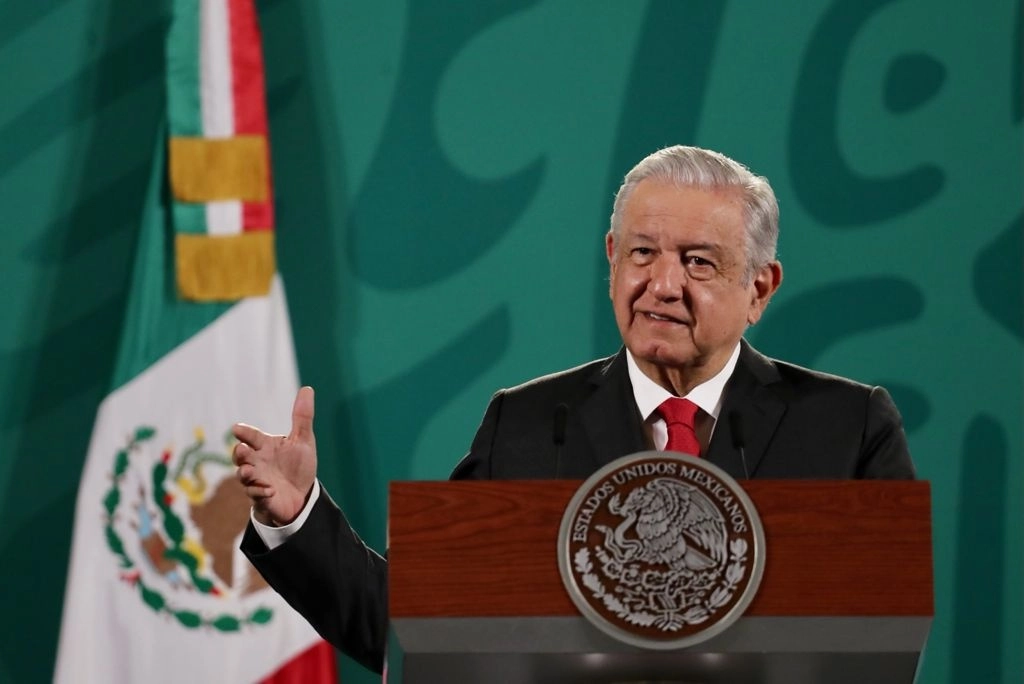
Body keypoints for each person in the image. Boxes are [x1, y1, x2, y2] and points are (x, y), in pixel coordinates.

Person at [232, 145, 915, 674]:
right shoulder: (525, 424)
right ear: (613, 260)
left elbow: (878, 638)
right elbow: (420, 624)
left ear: (759, 288)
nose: (663, 285)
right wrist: (299, 517)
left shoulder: (848, 428)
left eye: (699, 262)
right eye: (642, 253)